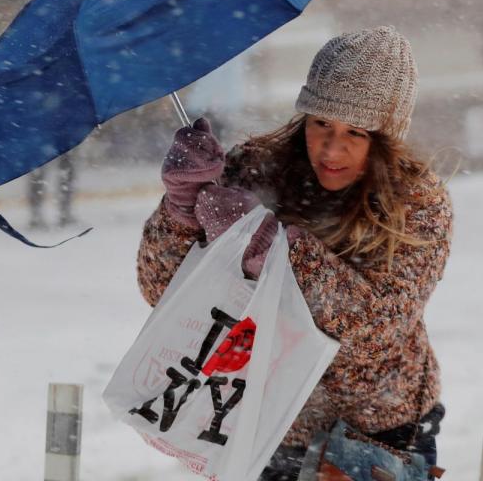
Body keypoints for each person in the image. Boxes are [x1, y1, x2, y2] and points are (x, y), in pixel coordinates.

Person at [137, 26, 452, 479]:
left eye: (355, 133)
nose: (331, 148)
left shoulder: (416, 202)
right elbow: (164, 293)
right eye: (321, 122)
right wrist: (181, 211)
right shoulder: (254, 168)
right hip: (260, 428)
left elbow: (374, 327)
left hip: (376, 438)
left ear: (385, 137)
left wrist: (272, 248)